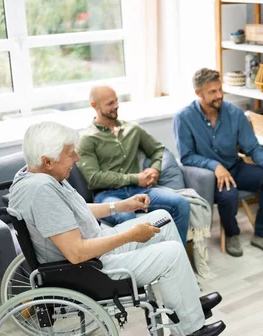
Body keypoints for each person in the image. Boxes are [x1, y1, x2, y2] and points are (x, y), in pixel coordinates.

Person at [8, 121, 225, 336]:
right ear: (47, 161)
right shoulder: (42, 192)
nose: (77, 159)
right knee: (171, 253)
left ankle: (188, 305)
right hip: (90, 268)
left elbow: (77, 213)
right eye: (70, 154)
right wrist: (132, 235)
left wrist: (122, 206)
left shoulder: (35, 177)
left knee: (161, 216)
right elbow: (77, 253)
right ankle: (188, 332)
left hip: (96, 248)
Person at [174, 68, 263, 257]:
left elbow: (252, 147)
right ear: (198, 93)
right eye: (212, 92)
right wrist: (215, 166)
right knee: (228, 195)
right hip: (208, 177)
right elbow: (187, 156)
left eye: (220, 89)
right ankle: (232, 234)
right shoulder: (184, 118)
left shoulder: (234, 113)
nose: (219, 95)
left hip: (235, 167)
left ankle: (261, 235)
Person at [76, 86, 191, 245]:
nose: (116, 105)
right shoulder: (87, 138)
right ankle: (141, 265)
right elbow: (94, 179)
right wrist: (136, 178)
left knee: (182, 203)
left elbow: (158, 149)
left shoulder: (133, 129)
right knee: (125, 216)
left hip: (140, 191)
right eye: (110, 103)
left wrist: (155, 169)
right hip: (108, 195)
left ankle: (177, 256)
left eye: (116, 100)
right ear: (94, 105)